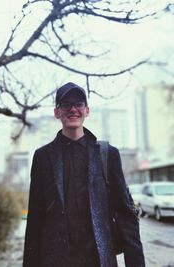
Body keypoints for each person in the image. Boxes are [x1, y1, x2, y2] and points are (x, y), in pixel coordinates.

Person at [23, 82, 145, 267]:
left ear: (87, 110)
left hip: (98, 260)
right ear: (57, 112)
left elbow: (125, 214)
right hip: (54, 260)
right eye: (66, 105)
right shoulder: (43, 157)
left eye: (78, 104)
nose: (73, 109)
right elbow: (35, 219)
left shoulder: (107, 155)